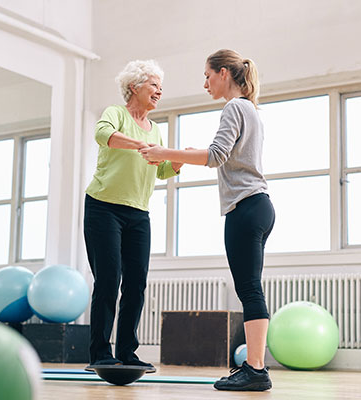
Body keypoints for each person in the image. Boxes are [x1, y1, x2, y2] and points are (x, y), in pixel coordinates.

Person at [139, 49, 275, 391]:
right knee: (251, 288)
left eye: (208, 75)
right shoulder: (251, 110)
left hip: (246, 207)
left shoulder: (235, 107)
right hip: (258, 205)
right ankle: (256, 367)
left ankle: (256, 369)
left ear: (225, 73)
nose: (205, 83)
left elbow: (216, 156)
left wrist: (164, 152)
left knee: (248, 289)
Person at [84, 60, 181, 372]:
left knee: (136, 283)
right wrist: (139, 144)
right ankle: (100, 352)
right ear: (134, 87)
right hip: (103, 207)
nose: (159, 90)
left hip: (138, 213)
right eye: (153, 84)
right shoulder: (117, 113)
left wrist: (177, 161)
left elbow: (162, 169)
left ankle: (127, 351)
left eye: (159, 85)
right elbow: (103, 135)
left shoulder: (157, 129)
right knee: (108, 280)